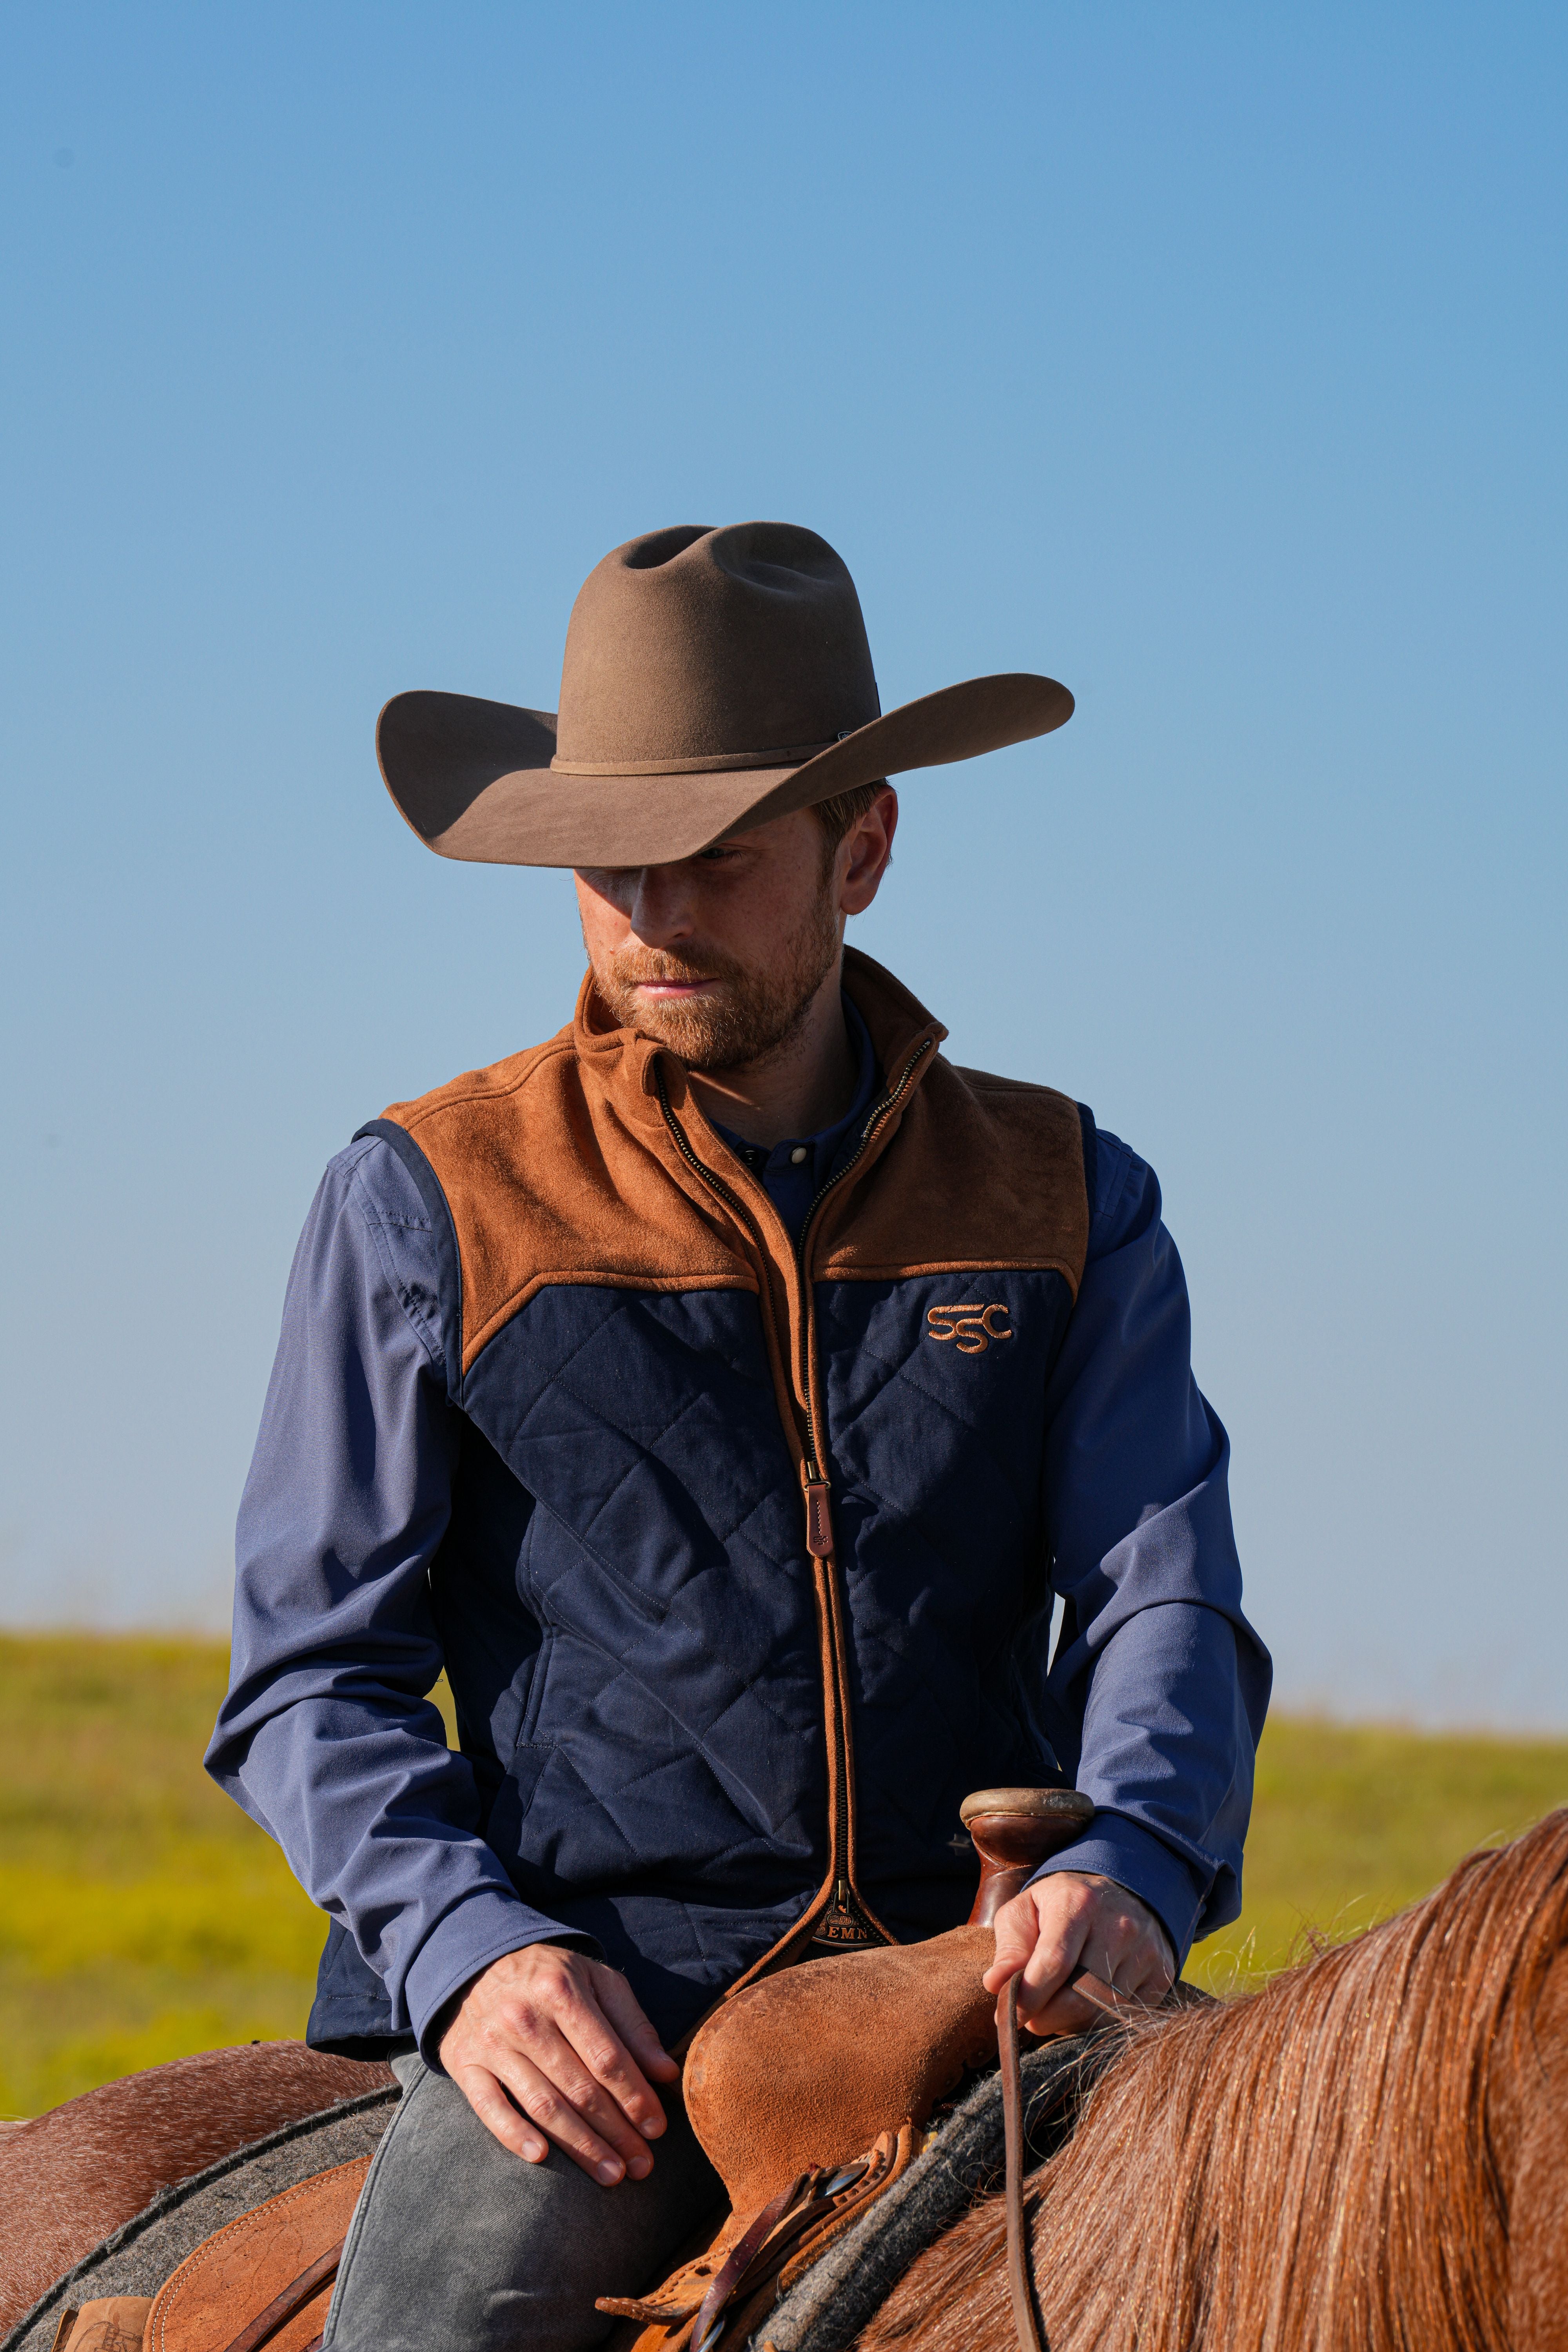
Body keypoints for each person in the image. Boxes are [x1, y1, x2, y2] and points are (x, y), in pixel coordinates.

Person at [207, 521, 1270, 2352]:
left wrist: (1137, 1867)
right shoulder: (427, 1201)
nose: (652, 916)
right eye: (607, 863)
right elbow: (313, 1681)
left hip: (982, 1986)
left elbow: (1158, 1592)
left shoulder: (1065, 1194)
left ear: (861, 849)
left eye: (712, 858)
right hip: (597, 2021)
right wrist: (476, 1957)